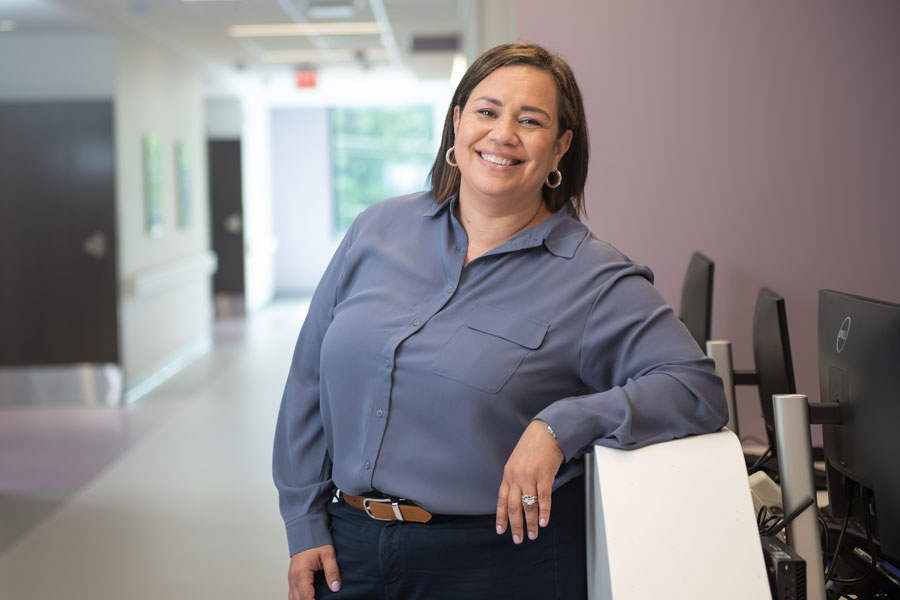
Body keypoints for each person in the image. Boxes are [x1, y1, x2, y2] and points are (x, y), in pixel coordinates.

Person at [273, 42, 727, 600]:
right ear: (457, 124)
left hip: (496, 566)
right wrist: (304, 522)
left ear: (560, 148)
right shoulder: (376, 229)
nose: (503, 133)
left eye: (530, 120)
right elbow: (308, 382)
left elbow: (695, 387)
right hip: (348, 553)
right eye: (487, 111)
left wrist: (561, 424)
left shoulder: (594, 278)